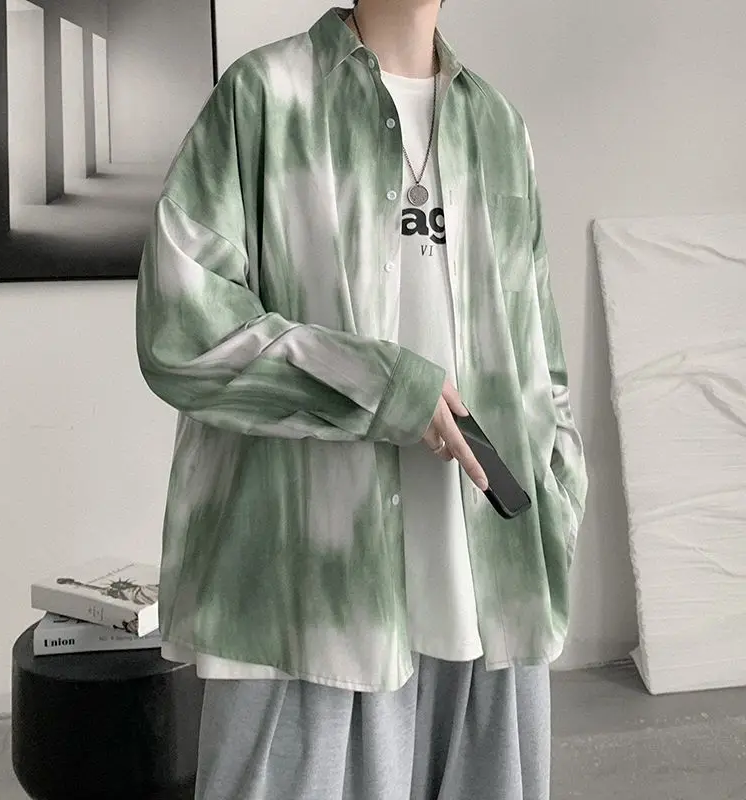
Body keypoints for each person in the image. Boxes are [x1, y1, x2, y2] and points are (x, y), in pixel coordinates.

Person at [136, 1, 588, 797]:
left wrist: (559, 490)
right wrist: (384, 386)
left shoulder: (499, 127)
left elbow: (540, 359)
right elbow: (183, 331)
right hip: (307, 596)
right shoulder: (265, 97)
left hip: (492, 585)